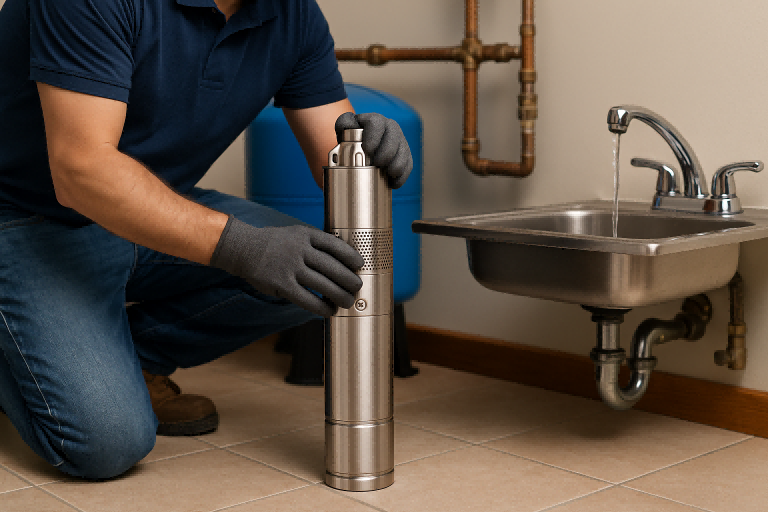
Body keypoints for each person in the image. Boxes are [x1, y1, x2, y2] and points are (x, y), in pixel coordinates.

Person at [0, 0, 412, 479]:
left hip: (147, 206)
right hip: (23, 217)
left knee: (327, 271)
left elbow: (336, 151)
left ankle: (128, 360)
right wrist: (244, 247)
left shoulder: (292, 13)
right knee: (106, 444)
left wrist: (367, 149)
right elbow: (82, 171)